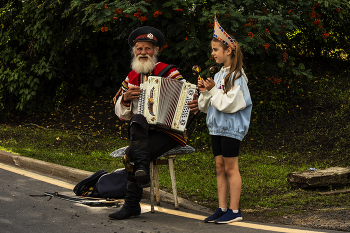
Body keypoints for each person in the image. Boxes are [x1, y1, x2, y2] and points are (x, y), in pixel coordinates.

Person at [109, 26, 198, 220]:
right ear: (134, 51)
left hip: (168, 133)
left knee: (130, 154)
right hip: (141, 132)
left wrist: (195, 101)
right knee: (137, 119)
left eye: (147, 48)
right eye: (139, 49)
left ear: (155, 51)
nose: (143, 52)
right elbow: (120, 112)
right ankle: (141, 176)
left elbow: (189, 95)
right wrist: (125, 98)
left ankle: (132, 205)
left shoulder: (169, 72)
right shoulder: (131, 77)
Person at [197, 15, 252, 224]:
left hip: (231, 129)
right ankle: (221, 208)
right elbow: (207, 106)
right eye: (212, 50)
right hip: (216, 128)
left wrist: (211, 93)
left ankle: (235, 210)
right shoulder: (219, 74)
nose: (212, 54)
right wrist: (204, 92)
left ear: (228, 50)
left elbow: (230, 105)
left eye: (215, 50)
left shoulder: (237, 76)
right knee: (219, 167)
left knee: (231, 168)